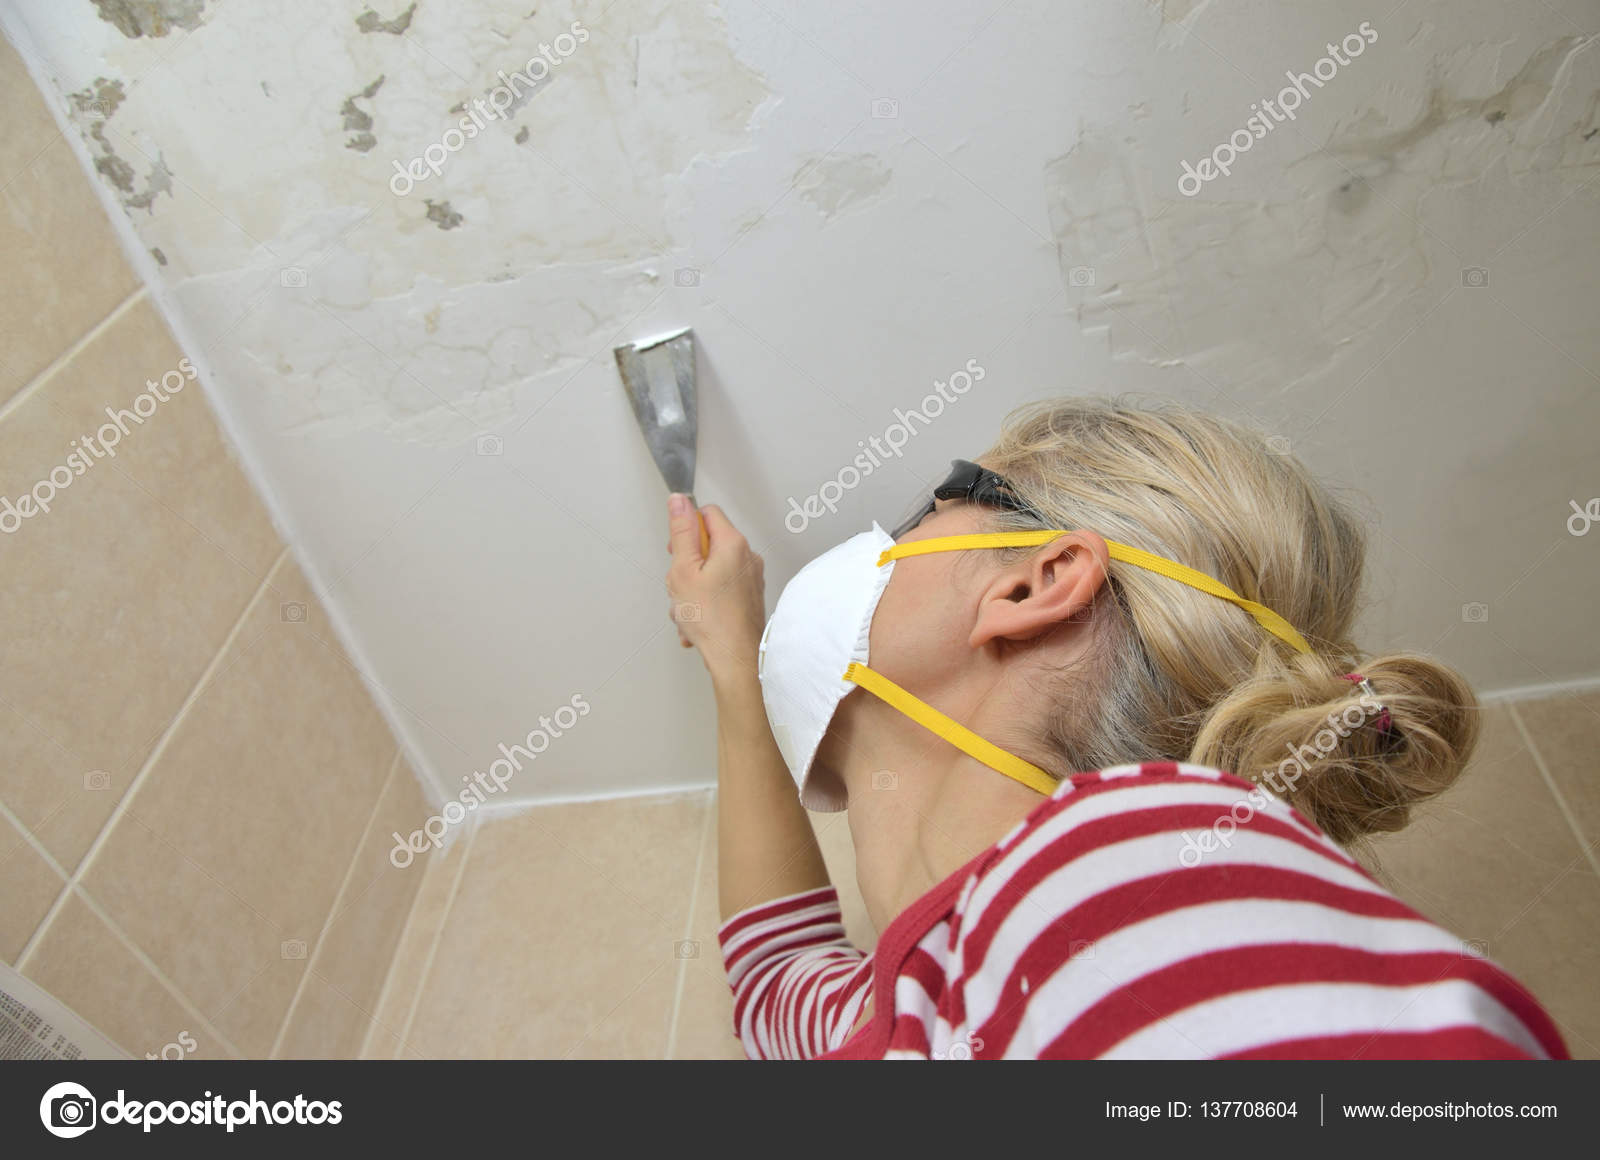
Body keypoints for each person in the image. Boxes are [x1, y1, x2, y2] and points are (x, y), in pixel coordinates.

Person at [664, 396, 1567, 1060]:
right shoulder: (907, 1000)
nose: (889, 542)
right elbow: (774, 978)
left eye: (926, 510)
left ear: (1033, 586)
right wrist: (733, 665)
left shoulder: (1145, 865)